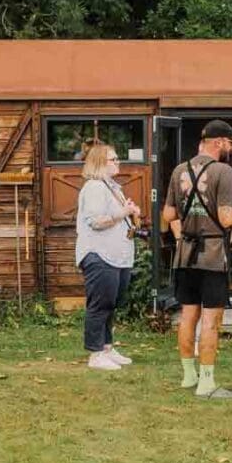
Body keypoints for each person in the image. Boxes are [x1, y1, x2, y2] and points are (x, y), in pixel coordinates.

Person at [162, 119, 232, 401]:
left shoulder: (180, 170)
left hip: (185, 257)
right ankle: (207, 384)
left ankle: (189, 376)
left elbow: (168, 215)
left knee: (188, 316)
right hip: (212, 256)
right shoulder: (223, 171)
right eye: (230, 143)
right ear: (217, 143)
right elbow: (228, 219)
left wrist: (187, 227)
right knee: (211, 320)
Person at [75, 141, 141, 371]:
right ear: (101, 162)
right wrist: (123, 212)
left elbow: (116, 215)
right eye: (114, 159)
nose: (118, 162)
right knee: (100, 305)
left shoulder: (111, 186)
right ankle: (95, 354)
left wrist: (130, 212)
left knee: (110, 304)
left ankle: (106, 348)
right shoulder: (94, 187)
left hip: (117, 255)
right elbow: (96, 221)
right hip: (99, 254)